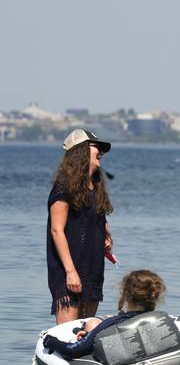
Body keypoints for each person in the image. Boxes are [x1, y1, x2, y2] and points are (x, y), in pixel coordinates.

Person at [47, 129, 113, 324]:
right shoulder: (63, 186)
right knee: (68, 332)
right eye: (96, 146)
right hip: (68, 269)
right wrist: (70, 271)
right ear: (81, 151)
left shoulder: (96, 186)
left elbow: (98, 218)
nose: (100, 151)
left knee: (87, 329)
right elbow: (56, 230)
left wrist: (106, 236)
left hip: (93, 268)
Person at [43, 270, 166, 359]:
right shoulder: (161, 320)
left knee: (92, 324)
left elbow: (74, 350)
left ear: (126, 296)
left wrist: (49, 340)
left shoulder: (115, 323)